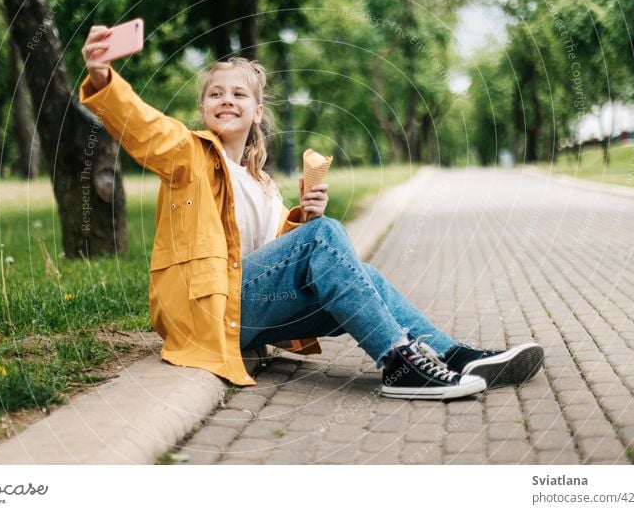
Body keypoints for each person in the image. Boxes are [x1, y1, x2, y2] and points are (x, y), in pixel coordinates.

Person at [79, 26, 544, 400]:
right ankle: (399, 364)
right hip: (209, 309)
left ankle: (456, 355)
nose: (226, 100)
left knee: (360, 272)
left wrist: (302, 219)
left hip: (248, 311)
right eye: (216, 94)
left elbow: (275, 256)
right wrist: (103, 78)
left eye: (238, 95)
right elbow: (145, 129)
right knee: (324, 236)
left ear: (257, 111)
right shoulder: (189, 156)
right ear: (202, 109)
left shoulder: (261, 185)